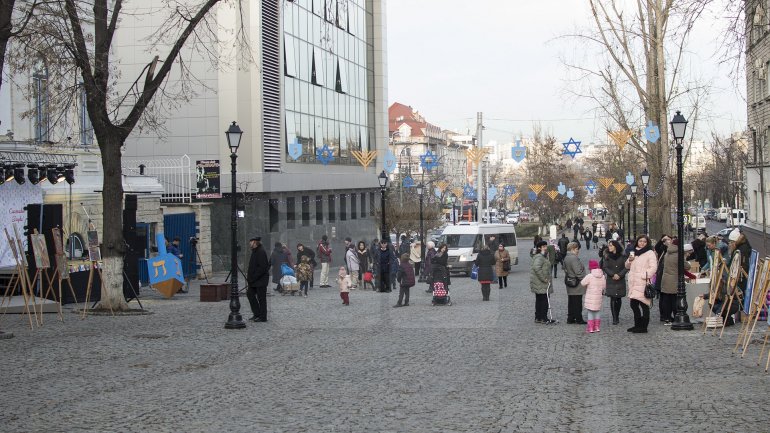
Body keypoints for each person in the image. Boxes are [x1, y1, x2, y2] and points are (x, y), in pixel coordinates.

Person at [625, 234, 658, 333]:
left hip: (643, 282)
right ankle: (637, 324)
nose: (642, 243)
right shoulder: (634, 252)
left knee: (644, 304)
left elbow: (653, 267)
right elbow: (627, 266)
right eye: (640, 241)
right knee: (633, 304)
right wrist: (630, 260)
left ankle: (643, 326)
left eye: (644, 241)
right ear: (637, 242)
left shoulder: (650, 253)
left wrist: (644, 275)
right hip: (634, 282)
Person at [660, 239, 690, 325]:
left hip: (665, 279)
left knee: (666, 299)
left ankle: (667, 318)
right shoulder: (678, 255)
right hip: (674, 280)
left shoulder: (667, 253)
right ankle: (676, 316)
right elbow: (687, 266)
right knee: (674, 300)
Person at [602, 240, 628, 325]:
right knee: (613, 298)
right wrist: (613, 274)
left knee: (618, 298)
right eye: (609, 245)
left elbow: (626, 267)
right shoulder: (607, 256)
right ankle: (615, 318)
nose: (609, 247)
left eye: (611, 245)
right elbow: (605, 267)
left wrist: (620, 275)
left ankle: (617, 314)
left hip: (620, 279)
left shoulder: (623, 256)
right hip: (611, 280)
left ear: (615, 246)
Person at [531, 240, 555, 324]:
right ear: (539, 248)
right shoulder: (539, 257)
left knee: (540, 300)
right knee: (544, 300)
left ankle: (538, 317)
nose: (546, 248)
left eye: (546, 246)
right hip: (541, 283)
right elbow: (537, 268)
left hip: (540, 283)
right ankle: (543, 318)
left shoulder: (542, 256)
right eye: (544, 246)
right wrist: (543, 279)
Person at [563, 242, 587, 324]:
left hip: (570, 281)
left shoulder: (566, 257)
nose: (578, 251)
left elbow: (565, 268)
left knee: (571, 302)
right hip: (576, 283)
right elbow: (578, 272)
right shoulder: (574, 258)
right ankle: (578, 318)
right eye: (577, 249)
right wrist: (584, 279)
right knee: (577, 302)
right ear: (573, 249)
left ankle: (570, 318)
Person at [246, 237, 270, 322]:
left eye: (251, 242)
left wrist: (253, 277)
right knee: (250, 294)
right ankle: (256, 313)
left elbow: (263, 268)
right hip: (254, 281)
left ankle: (263, 317)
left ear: (255, 242)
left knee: (261, 298)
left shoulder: (261, 252)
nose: (250, 243)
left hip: (260, 280)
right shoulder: (255, 251)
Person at [582, 259, 606, 333]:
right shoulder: (602, 276)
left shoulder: (589, 276)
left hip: (590, 297)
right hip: (598, 297)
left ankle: (591, 328)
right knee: (597, 312)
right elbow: (604, 286)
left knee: (590, 312)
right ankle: (597, 327)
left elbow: (582, 283)